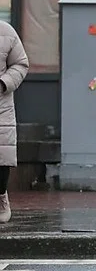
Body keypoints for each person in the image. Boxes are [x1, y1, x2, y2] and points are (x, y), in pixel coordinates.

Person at [0, 21, 29, 223]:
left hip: (0, 105)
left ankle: (1, 197)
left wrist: (4, 83)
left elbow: (21, 63)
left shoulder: (6, 31)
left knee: (1, 156)